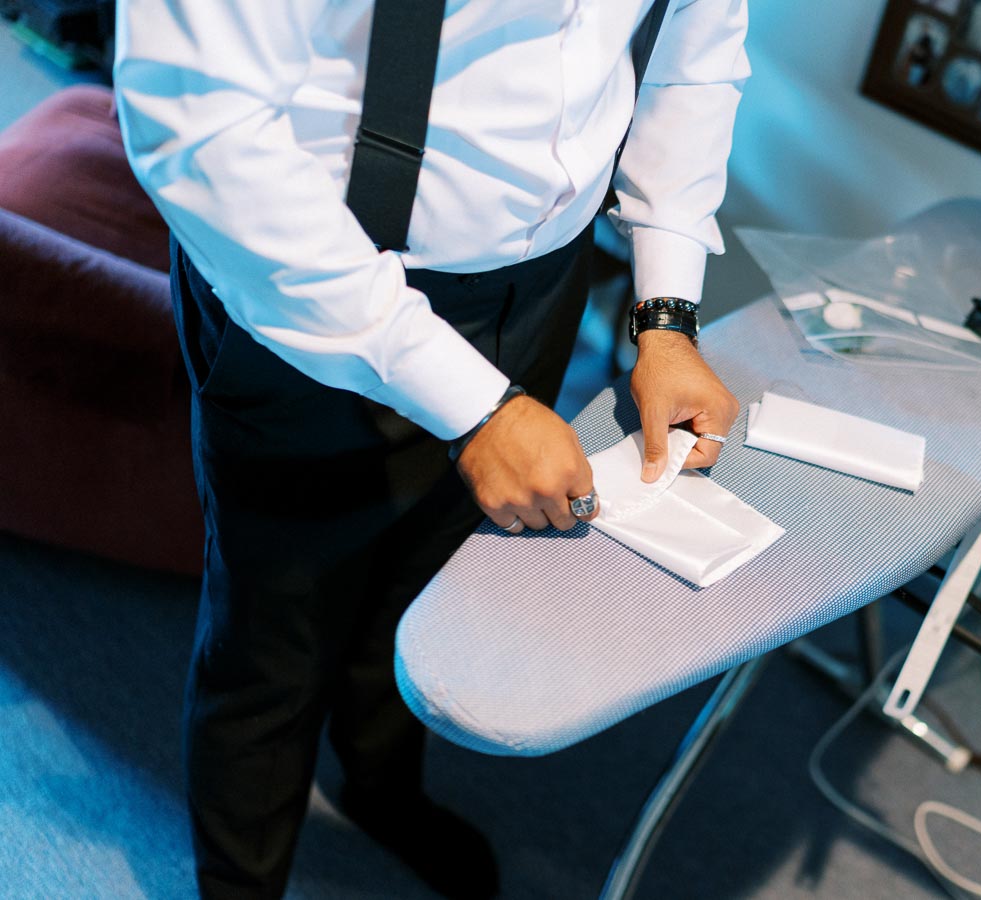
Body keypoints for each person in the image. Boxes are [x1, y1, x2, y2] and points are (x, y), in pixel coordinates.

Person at [113, 2, 748, 898]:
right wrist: (473, 407)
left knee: (434, 576)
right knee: (275, 635)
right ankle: (240, 884)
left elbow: (694, 59)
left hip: (540, 281)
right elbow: (199, 132)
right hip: (314, 288)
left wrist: (667, 311)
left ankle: (379, 786)